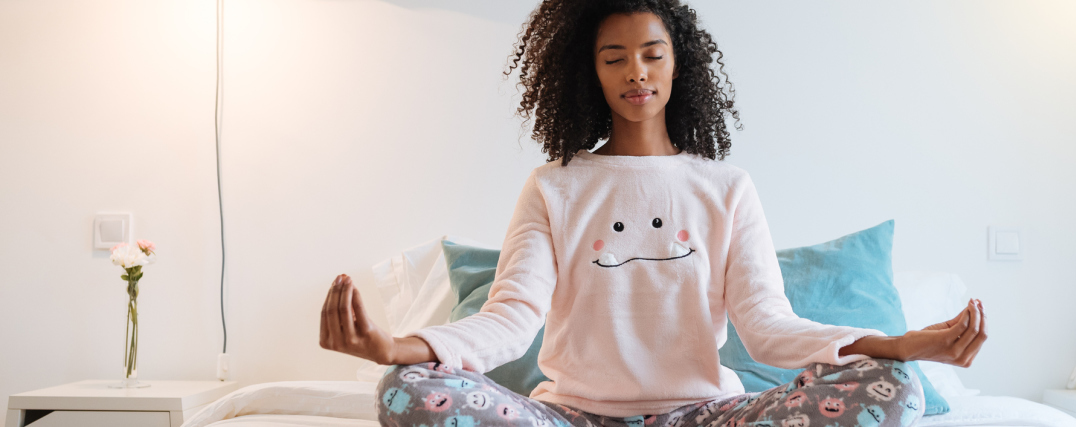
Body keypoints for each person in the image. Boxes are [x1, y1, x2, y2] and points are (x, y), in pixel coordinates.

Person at [319, 1, 987, 426]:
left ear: (679, 64)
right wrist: (394, 346)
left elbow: (768, 328)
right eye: (614, 58)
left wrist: (898, 344)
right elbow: (509, 320)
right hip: (572, 418)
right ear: (590, 74)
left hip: (706, 416)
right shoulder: (554, 186)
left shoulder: (727, 185)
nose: (635, 72)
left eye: (651, 53)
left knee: (896, 386)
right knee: (404, 389)